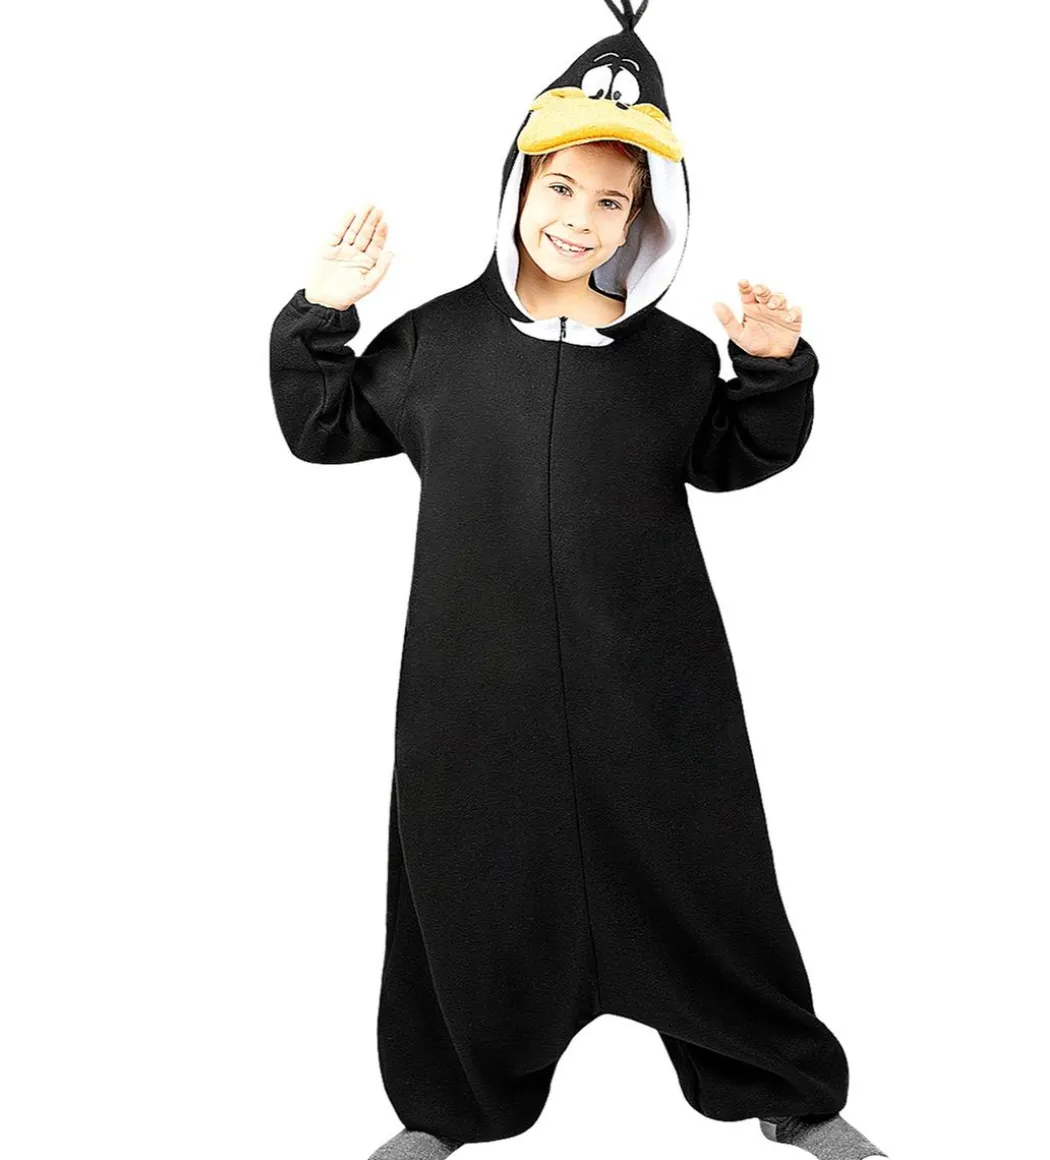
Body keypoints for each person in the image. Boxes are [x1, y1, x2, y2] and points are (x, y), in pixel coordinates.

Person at [268, 3, 886, 1159]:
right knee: (467, 874)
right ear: (517, 187)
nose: (579, 217)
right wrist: (325, 312)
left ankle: (788, 1089)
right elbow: (323, 425)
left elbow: (733, 455)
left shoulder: (669, 359)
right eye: (560, 187)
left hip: (652, 686)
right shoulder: (435, 344)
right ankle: (448, 1105)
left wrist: (768, 370)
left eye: (611, 201)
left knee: (705, 877)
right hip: (475, 686)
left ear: (643, 220)